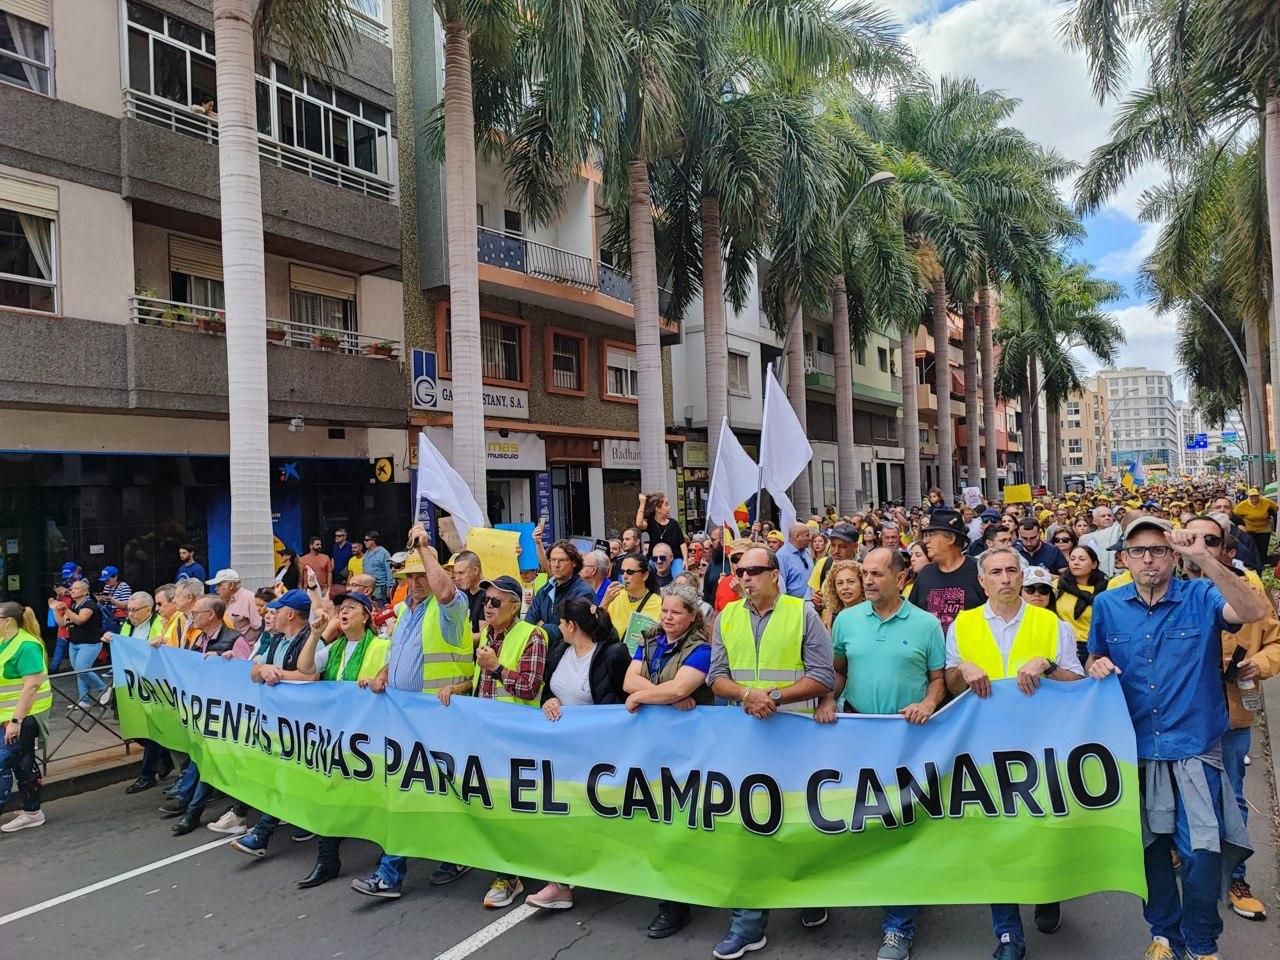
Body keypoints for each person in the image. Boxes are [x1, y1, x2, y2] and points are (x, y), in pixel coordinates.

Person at [1087, 516, 1269, 960]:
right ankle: (1165, 934)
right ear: (1124, 559)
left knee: (1201, 854)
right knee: (1151, 853)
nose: (1147, 559)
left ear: (1172, 556)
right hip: (1138, 750)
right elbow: (1096, 655)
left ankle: (1203, 941)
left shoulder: (1202, 595)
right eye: (1137, 551)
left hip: (1194, 750)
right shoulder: (1108, 605)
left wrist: (1205, 558)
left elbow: (1253, 612)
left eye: (1157, 550)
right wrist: (1095, 665)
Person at [945, 546, 1086, 960]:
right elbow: (952, 685)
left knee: (1042, 830)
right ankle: (1008, 933)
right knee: (997, 839)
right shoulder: (963, 624)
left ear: (1022, 578)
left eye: (1012, 570)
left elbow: (1076, 685)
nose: (1005, 578)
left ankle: (1047, 892)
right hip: (986, 750)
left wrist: (1046, 665)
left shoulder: (1049, 624)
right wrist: (962, 672)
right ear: (982, 581)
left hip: (1041, 747)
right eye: (996, 572)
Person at [707, 546, 836, 957]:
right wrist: (748, 694)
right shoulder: (726, 617)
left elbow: (822, 676)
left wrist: (774, 698)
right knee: (748, 826)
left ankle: (808, 895)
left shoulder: (802, 614)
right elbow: (716, 677)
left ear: (775, 575)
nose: (744, 578)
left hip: (795, 738)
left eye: (754, 571)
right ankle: (747, 923)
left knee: (799, 821)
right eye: (740, 572)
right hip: (744, 740)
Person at [830, 547, 945, 960]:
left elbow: (937, 680)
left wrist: (930, 703)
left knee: (900, 826)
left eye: (877, 573)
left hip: (907, 739)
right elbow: (838, 670)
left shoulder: (927, 624)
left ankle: (898, 925)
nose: (868, 580)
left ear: (900, 578)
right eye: (864, 573)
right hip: (858, 733)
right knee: (864, 822)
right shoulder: (845, 620)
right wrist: (829, 699)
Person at [352, 524, 472, 899]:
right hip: (407, 719)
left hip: (438, 717)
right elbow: (398, 656)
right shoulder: (405, 612)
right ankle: (455, 853)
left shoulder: (451, 608)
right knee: (428, 792)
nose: (416, 582)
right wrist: (383, 674)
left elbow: (447, 589)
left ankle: (390, 874)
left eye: (422, 575)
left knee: (411, 792)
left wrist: (425, 549)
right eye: (410, 577)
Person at [1179, 514, 1280, 922]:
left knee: (1232, 799)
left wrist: (1259, 661)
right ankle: (1185, 878)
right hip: (1177, 717)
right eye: (1191, 537)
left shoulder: (1249, 590)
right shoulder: (1162, 590)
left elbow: (1275, 639)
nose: (1200, 545)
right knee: (1173, 800)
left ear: (1226, 550)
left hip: (1232, 713)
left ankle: (1235, 877)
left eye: (1210, 540)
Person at [437, 574, 547, 908]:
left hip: (515, 736)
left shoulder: (533, 636)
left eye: (496, 602)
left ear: (515, 607)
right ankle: (508, 866)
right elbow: (479, 681)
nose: (488, 607)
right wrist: (457, 689)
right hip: (484, 735)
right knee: (491, 803)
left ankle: (510, 876)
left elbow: (529, 687)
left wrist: (496, 667)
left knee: (508, 806)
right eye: (486, 601)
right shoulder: (487, 633)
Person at [622, 583, 714, 938]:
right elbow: (628, 679)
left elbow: (681, 688)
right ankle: (671, 902)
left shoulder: (701, 649)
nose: (668, 618)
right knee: (657, 820)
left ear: (692, 617)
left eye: (676, 612)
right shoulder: (648, 638)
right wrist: (656, 695)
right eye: (664, 611)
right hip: (651, 747)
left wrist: (648, 695)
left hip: (689, 749)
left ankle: (684, 899)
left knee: (684, 821)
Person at [527, 597, 630, 911]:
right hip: (564, 753)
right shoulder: (560, 652)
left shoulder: (612, 655)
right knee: (564, 814)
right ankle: (560, 884)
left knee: (600, 818)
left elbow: (625, 699)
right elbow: (550, 688)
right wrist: (548, 701)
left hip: (600, 755)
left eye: (561, 623)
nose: (558, 628)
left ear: (572, 626)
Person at [160, 595, 244, 835]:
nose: (192, 616)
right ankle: (192, 806)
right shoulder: (198, 640)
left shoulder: (234, 640)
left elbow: (245, 673)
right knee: (205, 760)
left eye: (196, 612)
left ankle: (193, 811)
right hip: (205, 710)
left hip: (227, 714)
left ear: (211, 615)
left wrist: (226, 662)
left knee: (209, 761)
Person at [112, 590, 177, 793]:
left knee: (152, 730)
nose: (130, 614)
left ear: (148, 609)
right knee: (130, 726)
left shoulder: (158, 623)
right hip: (129, 684)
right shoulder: (127, 625)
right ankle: (165, 755)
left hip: (153, 685)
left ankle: (147, 775)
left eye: (134, 610)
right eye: (128, 610)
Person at [0, 602, 52, 833]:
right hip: (7, 716)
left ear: (8, 621)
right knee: (23, 762)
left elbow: (31, 686)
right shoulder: (5, 642)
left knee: (4, 762)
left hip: (24, 717)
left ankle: (32, 812)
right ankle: (32, 812)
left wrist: (16, 722)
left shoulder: (26, 645)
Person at [906, 510, 985, 633]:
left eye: (931, 535)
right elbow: (912, 616)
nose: (926, 541)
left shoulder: (979, 570)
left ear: (950, 538)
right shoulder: (926, 573)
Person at [49, 578, 109, 709]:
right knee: (79, 671)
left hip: (90, 643)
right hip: (75, 643)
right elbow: (62, 623)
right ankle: (84, 700)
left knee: (82, 668)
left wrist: (66, 609)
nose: (72, 590)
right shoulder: (72, 606)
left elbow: (80, 620)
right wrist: (55, 609)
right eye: (72, 588)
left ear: (85, 591)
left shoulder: (89, 605)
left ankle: (103, 688)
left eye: (76, 588)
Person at [525, 540, 595, 646]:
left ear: (574, 562)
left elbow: (570, 633)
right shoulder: (544, 590)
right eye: (553, 560)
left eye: (562, 560)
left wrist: (543, 626)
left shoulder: (584, 592)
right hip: (542, 653)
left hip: (569, 656)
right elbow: (528, 624)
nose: (556, 565)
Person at [1054, 546, 1108, 663]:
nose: (1076, 563)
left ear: (1094, 564)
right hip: (1062, 644)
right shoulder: (1058, 586)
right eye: (1072, 559)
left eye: (1082, 559)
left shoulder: (1106, 589)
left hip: (1092, 648)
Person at [607, 552, 664, 651]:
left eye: (629, 572)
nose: (624, 576)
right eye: (622, 571)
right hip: (610, 654)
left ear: (645, 575)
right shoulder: (615, 595)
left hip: (638, 659)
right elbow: (597, 626)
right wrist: (605, 601)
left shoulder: (659, 603)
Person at [206, 568, 263, 646]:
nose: (216, 588)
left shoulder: (249, 599)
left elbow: (260, 628)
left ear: (231, 585)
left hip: (244, 652)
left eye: (219, 585)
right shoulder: (223, 600)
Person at [637, 492, 687, 564]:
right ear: (657, 508)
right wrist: (642, 504)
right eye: (666, 504)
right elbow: (639, 524)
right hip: (655, 559)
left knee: (679, 573)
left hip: (674, 559)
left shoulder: (674, 523)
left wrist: (685, 559)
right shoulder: (650, 522)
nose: (669, 507)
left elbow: (682, 543)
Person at [1232, 486, 1276, 565]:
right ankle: (1254, 563)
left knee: (1263, 548)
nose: (1254, 498)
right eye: (1252, 497)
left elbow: (1276, 507)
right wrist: (1240, 523)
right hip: (1250, 530)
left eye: (1256, 496)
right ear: (1249, 497)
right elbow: (1234, 513)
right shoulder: (1244, 504)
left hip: (1264, 529)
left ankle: (1263, 564)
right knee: (1254, 548)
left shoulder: (1265, 501)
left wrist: (1270, 513)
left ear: (1259, 496)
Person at [818, 559, 863, 631]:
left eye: (851, 582)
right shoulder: (831, 615)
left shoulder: (873, 611)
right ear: (834, 588)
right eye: (840, 583)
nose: (845, 587)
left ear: (862, 584)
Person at [775, 522, 814, 599]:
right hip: (794, 607)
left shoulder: (806, 552)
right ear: (798, 536)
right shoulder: (782, 557)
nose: (810, 538)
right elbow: (780, 588)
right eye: (807, 535)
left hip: (811, 605)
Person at [1081, 505, 1122, 577]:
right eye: (1103, 516)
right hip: (1095, 578)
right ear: (1094, 521)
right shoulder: (1085, 539)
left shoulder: (1121, 533)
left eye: (1109, 515)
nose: (1107, 518)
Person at [361, 531, 393, 603]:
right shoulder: (366, 554)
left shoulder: (384, 553)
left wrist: (390, 587)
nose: (364, 542)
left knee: (379, 605)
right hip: (368, 586)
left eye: (367, 540)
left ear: (373, 540)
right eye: (364, 540)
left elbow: (389, 570)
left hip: (380, 587)